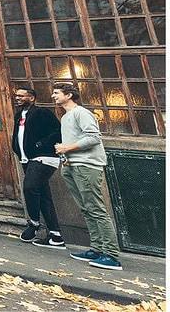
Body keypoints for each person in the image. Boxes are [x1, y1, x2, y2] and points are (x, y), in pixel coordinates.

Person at [51, 82, 122, 271]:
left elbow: (94, 137)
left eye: (57, 92)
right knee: (86, 208)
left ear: (69, 95)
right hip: (70, 165)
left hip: (86, 165)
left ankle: (111, 255)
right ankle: (97, 249)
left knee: (96, 208)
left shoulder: (81, 113)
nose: (53, 96)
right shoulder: (66, 116)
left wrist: (67, 147)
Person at [10, 87, 64, 249]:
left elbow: (57, 131)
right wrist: (17, 149)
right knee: (44, 196)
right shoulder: (19, 115)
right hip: (27, 159)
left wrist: (40, 144)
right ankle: (55, 235)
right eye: (17, 96)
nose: (18, 98)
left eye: (21, 96)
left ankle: (34, 223)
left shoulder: (41, 113)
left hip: (43, 157)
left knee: (30, 187)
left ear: (31, 98)